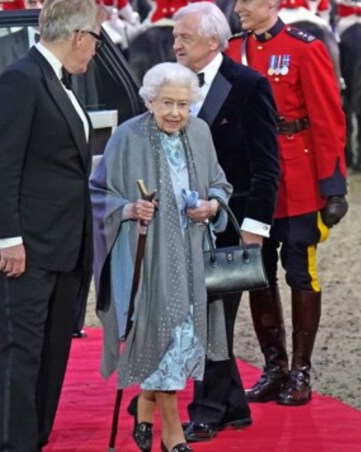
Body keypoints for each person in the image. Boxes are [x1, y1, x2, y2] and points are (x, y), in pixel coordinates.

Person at [0, 0, 102, 449]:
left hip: (62, 246)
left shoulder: (58, 82)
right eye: (97, 39)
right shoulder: (20, 80)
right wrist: (9, 239)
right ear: (79, 36)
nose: (96, 50)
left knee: (51, 354)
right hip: (23, 250)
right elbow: (1, 165)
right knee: (22, 354)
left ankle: (34, 440)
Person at [91, 62, 232, 452]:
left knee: (184, 337)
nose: (175, 113)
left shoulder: (200, 133)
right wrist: (130, 208)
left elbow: (220, 182)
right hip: (148, 260)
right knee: (161, 338)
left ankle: (145, 411)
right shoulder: (127, 137)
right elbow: (97, 194)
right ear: (149, 101)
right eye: (167, 103)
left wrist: (212, 205)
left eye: (184, 105)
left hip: (192, 256)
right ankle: (173, 436)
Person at [227, 0, 348, 406]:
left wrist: (334, 184)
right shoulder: (232, 49)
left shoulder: (304, 47)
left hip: (296, 177)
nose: (238, 6)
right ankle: (274, 369)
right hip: (251, 181)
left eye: (246, 0)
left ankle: (301, 370)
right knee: (257, 274)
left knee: (300, 272)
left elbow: (328, 117)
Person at [171, 2, 280, 442]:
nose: (175, 43)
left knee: (210, 318)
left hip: (233, 225)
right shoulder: (171, 83)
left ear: (213, 42)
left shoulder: (249, 86)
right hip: (182, 225)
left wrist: (255, 229)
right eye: (175, 36)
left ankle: (207, 410)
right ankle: (233, 405)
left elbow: (267, 168)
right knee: (203, 314)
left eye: (185, 37)